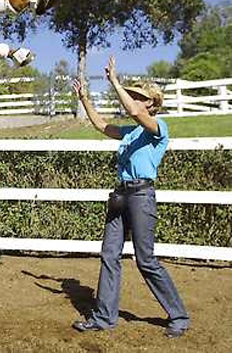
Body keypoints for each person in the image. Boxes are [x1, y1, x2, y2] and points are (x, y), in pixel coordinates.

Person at [71, 56, 190, 338]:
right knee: (109, 254)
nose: (135, 100)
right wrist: (85, 98)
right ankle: (104, 318)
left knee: (145, 259)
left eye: (140, 97)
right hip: (121, 195)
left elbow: (135, 113)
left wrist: (114, 81)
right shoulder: (129, 132)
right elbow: (101, 126)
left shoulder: (158, 129)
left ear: (152, 103)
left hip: (141, 196)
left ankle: (179, 316)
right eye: (133, 95)